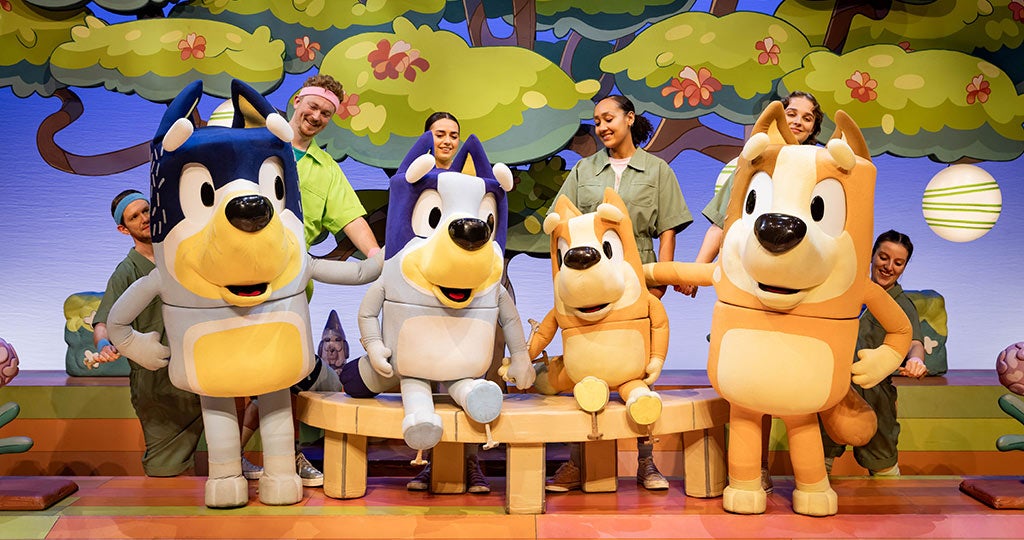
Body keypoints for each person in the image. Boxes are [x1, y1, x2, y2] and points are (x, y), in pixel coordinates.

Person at [240, 74, 384, 486]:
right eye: (313, 106)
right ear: (297, 101)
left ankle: (283, 457)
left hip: (290, 289)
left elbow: (351, 219)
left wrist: (378, 258)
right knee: (254, 375)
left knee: (283, 376)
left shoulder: (326, 170)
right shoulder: (257, 146)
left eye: (326, 113)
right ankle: (245, 456)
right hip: (240, 282)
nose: (317, 116)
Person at [679, 90, 825, 493]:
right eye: (791, 113)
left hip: (799, 293)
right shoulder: (751, 162)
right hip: (749, 288)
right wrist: (698, 269)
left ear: (815, 127)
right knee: (749, 379)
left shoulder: (820, 165)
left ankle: (805, 475)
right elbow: (721, 224)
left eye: (807, 117)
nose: (797, 121)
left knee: (791, 377)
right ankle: (750, 469)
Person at [545, 95, 692, 492]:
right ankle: (578, 463)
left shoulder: (657, 170)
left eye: (608, 118)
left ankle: (646, 462)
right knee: (587, 378)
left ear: (629, 118)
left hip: (635, 282)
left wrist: (659, 279)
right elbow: (561, 222)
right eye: (596, 121)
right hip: (589, 288)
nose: (602, 127)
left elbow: (668, 228)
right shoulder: (584, 170)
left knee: (637, 376)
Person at [403, 112, 492, 494]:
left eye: (454, 135)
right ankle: (431, 462)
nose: (447, 141)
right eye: (440, 133)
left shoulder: (472, 183)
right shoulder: (416, 180)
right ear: (427, 136)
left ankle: (472, 463)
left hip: (468, 296)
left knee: (468, 377)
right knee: (424, 378)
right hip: (425, 296)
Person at [92, 189, 204, 477]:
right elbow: (103, 322)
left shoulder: (181, 256)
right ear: (123, 228)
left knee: (220, 456)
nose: (144, 218)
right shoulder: (127, 272)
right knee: (166, 468)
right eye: (134, 217)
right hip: (159, 383)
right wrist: (104, 344)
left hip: (200, 371)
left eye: (146, 210)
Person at [822, 230, 927, 476]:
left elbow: (914, 342)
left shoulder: (901, 304)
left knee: (883, 465)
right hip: (832, 389)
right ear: (872, 255)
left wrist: (915, 359)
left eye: (898, 263)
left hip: (875, 395)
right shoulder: (843, 290)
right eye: (883, 257)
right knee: (819, 460)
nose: (889, 267)